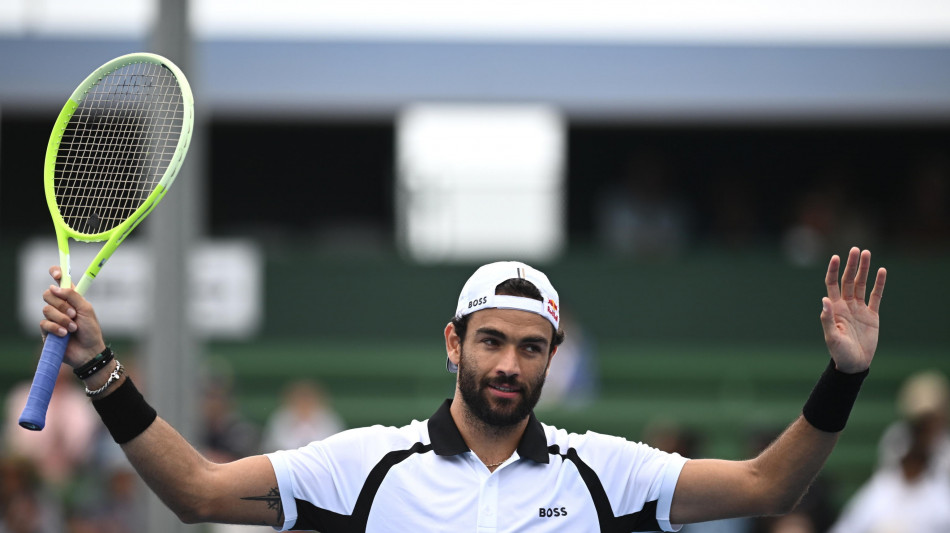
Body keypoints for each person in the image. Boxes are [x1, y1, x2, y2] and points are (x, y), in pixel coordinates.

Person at [35, 247, 886, 532]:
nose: (509, 363)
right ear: (453, 344)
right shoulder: (363, 466)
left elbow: (768, 485)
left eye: (530, 346)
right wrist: (99, 366)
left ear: (551, 359)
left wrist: (845, 376)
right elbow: (194, 491)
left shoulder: (605, 474)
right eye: (491, 341)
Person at [828, 370, 950, 533]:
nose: (926, 433)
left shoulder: (940, 494)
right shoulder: (883, 488)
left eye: (931, 422)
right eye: (920, 425)